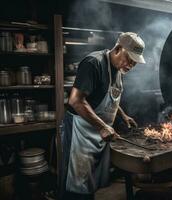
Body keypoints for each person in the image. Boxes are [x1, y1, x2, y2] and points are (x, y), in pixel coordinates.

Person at [59, 32, 146, 200]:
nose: (132, 65)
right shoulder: (94, 63)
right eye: (130, 58)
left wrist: (123, 115)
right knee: (75, 185)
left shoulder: (120, 69)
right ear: (118, 48)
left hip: (99, 133)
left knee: (88, 184)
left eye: (135, 61)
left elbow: (108, 97)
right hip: (80, 132)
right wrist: (103, 126)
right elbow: (75, 101)